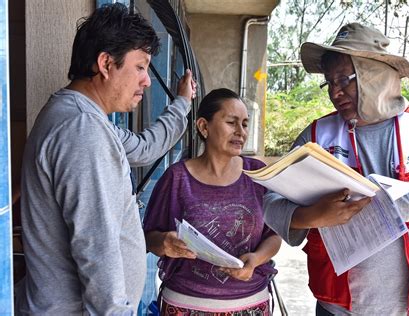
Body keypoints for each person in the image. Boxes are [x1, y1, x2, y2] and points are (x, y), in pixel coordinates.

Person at [264, 23, 409, 315]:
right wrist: (311, 215)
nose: (335, 92)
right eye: (329, 83)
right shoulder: (317, 136)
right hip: (338, 308)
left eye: (344, 80)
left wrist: (360, 193)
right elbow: (270, 202)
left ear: (376, 76)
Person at [16, 3, 196, 315]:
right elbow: (96, 246)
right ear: (106, 63)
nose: (147, 80)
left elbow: (143, 148)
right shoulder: (81, 129)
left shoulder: (83, 119)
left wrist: (181, 104)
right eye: (140, 67)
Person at [143, 88, 282, 315]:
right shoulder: (177, 178)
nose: (240, 132)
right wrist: (166, 243)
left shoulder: (257, 175)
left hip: (250, 305)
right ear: (203, 127)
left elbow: (274, 235)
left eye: (245, 124)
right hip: (185, 305)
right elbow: (149, 239)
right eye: (231, 122)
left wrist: (256, 259)